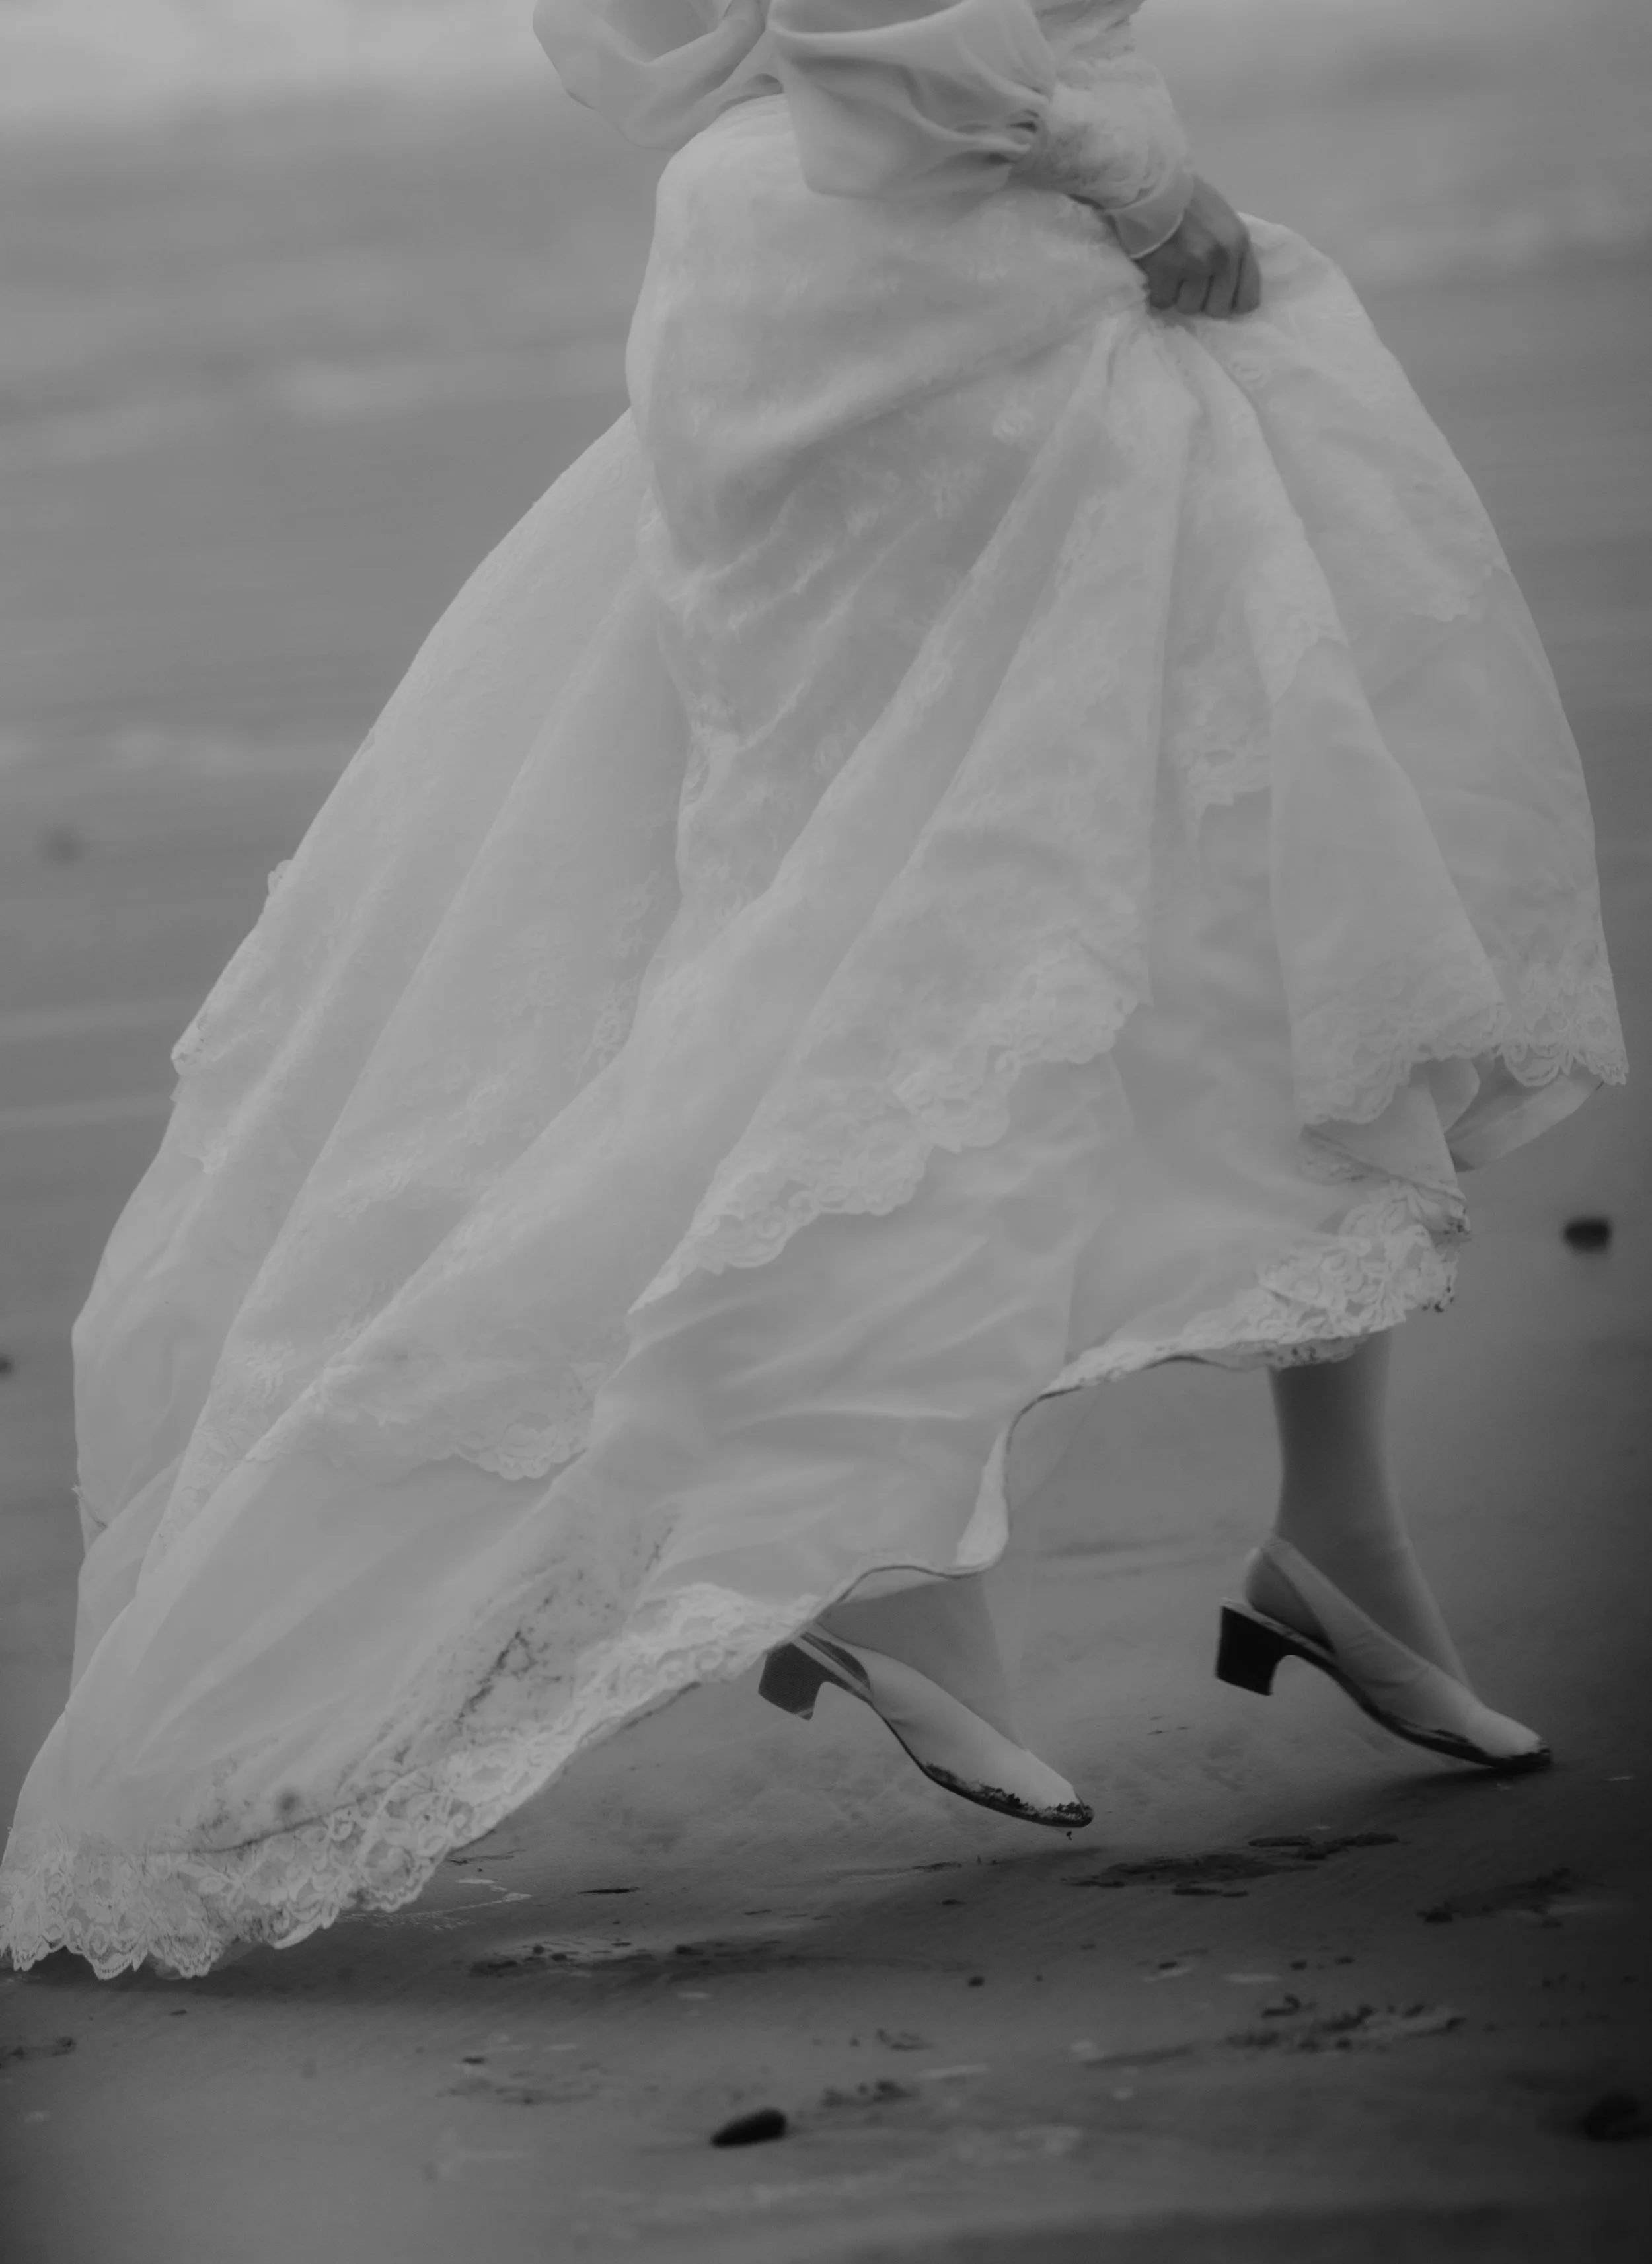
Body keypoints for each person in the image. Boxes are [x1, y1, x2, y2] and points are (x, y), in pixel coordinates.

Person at [0, 0, 1625, 1978]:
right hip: (945, 262)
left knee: (1222, 908)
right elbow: (873, 17)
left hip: (912, 243)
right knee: (1046, 941)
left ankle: (1287, 1553)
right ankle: (940, 1567)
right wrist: (1127, 172)